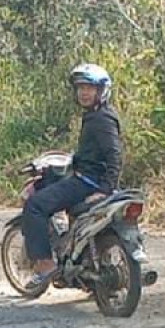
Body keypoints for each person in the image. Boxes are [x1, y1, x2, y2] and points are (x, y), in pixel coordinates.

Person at [22, 63, 122, 290]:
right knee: (51, 183)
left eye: (90, 88)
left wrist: (106, 188)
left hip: (88, 182)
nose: (84, 93)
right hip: (86, 176)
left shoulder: (101, 119)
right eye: (80, 88)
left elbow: (114, 154)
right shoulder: (97, 115)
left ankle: (46, 265)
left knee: (35, 206)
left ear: (102, 90)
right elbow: (93, 153)